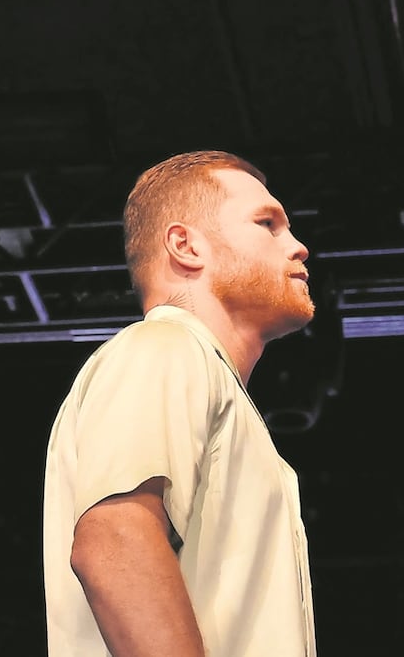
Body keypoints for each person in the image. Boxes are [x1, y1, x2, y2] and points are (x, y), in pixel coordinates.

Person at [42, 150, 318, 656]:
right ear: (185, 245)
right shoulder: (164, 347)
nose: (299, 247)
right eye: (268, 224)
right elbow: (115, 540)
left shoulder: (201, 373)